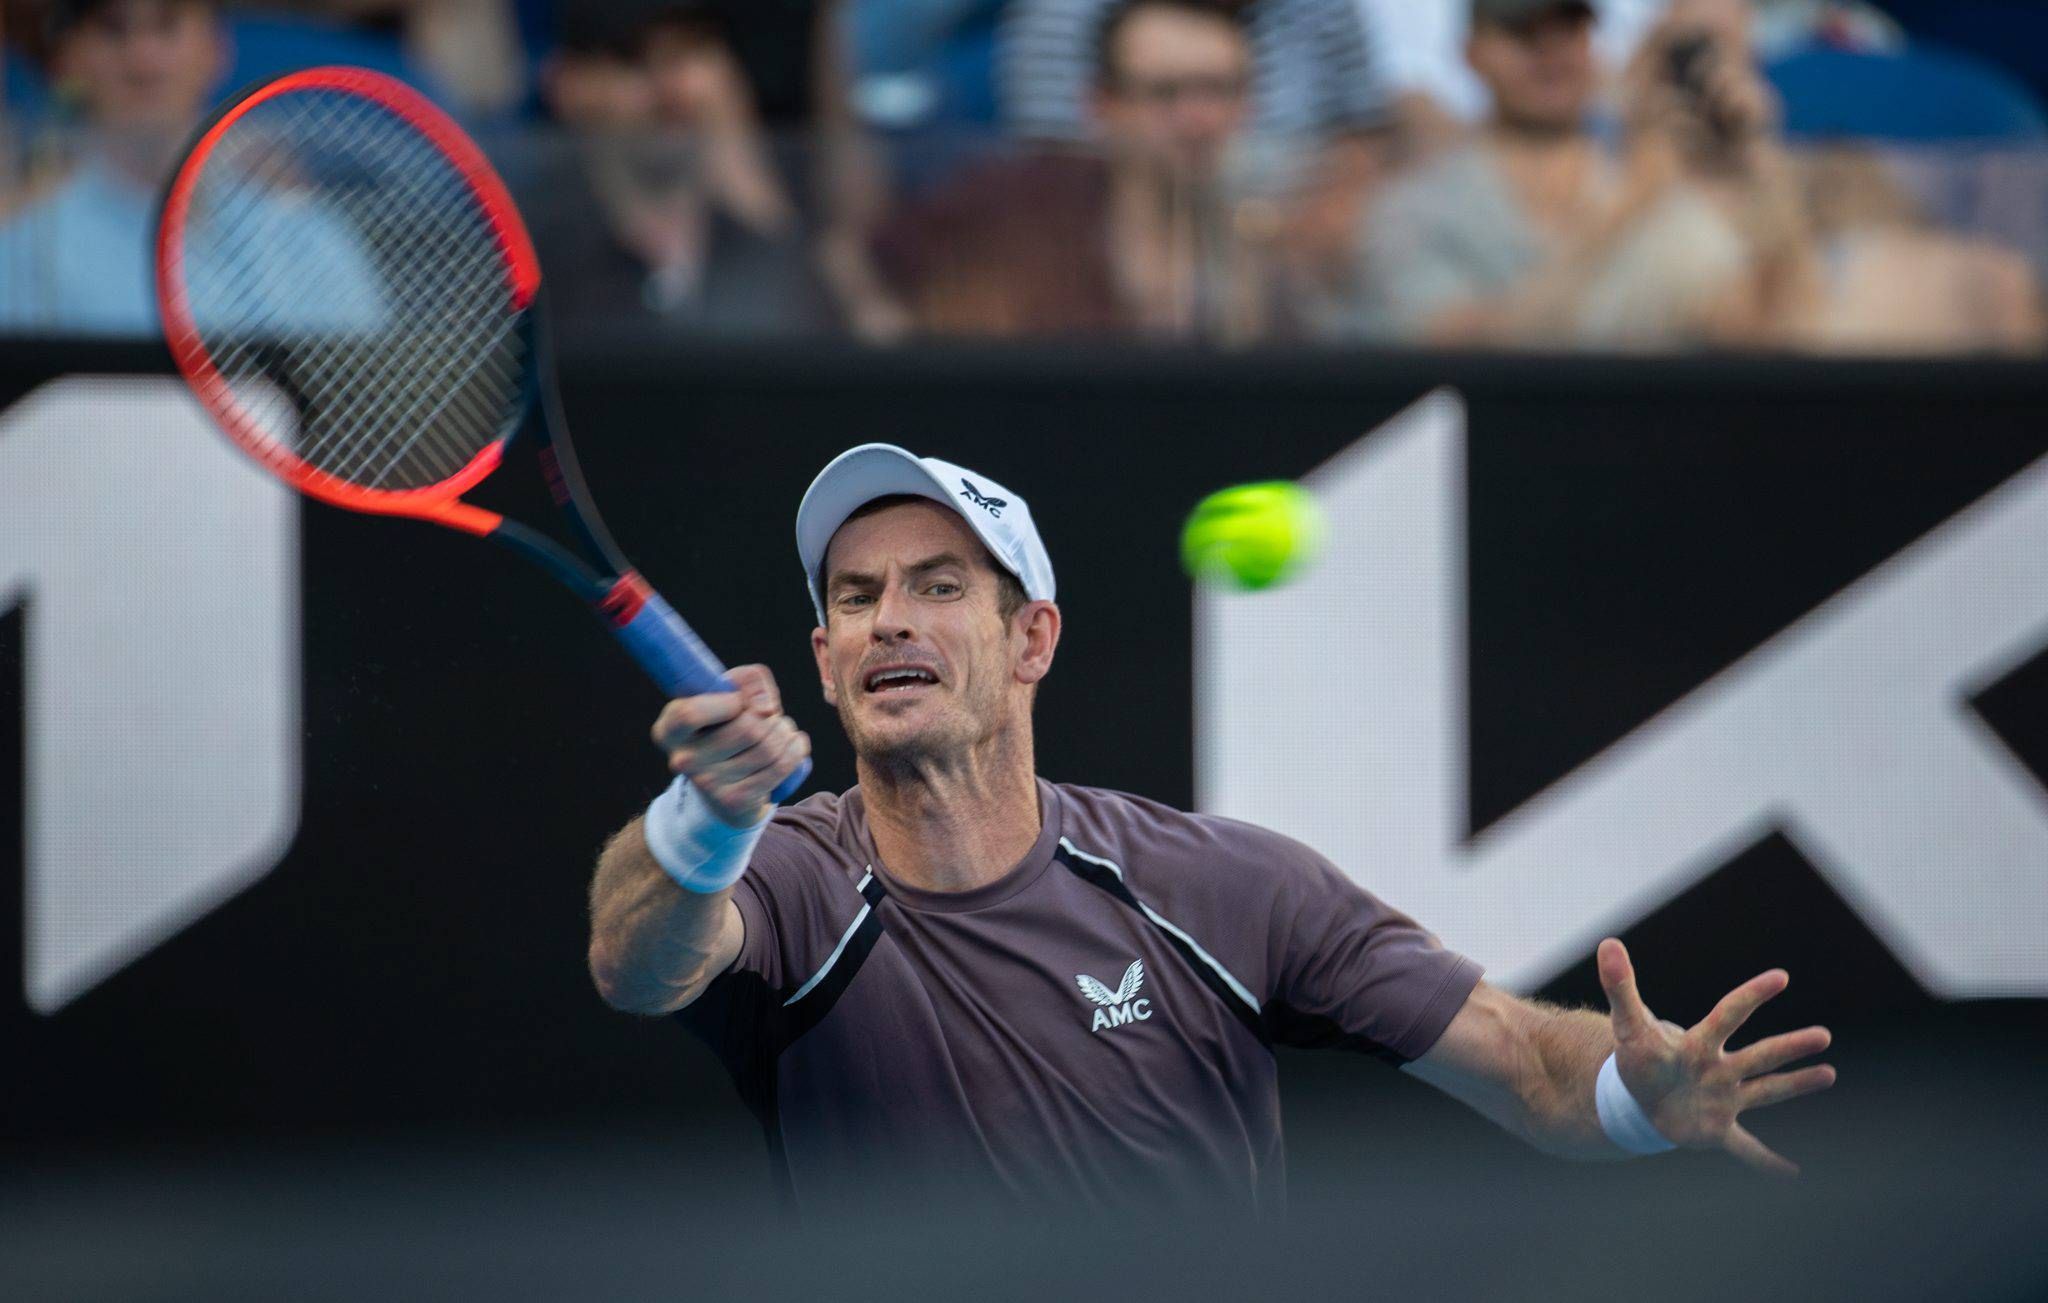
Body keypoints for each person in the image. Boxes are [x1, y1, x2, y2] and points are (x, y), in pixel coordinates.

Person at [585, 442, 1840, 1213]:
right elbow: (639, 961)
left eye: (939, 586)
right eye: (855, 600)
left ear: (1033, 639)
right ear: (824, 657)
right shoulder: (792, 880)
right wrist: (706, 816)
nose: (889, 621)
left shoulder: (1219, 887)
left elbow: (1519, 1060)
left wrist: (1635, 1093)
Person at [1328, 0, 1815, 349]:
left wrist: (1759, 162)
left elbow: (1773, 334)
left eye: (1570, 28)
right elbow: (1458, 351)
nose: (1552, 53)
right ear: (1471, 53)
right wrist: (1631, 204)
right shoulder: (1419, 206)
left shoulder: (1650, 171)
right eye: (1525, 33)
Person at [869, 0, 1275, 340]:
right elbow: (869, 273)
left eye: (1220, 89)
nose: (1198, 120)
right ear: (1101, 103)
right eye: (1166, 93)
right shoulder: (1014, 208)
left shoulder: (1268, 241)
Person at [523, 2, 830, 336]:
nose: (671, 90)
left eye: (691, 51)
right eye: (634, 60)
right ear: (568, 84)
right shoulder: (535, 251)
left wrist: (751, 187)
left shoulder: (786, 225)